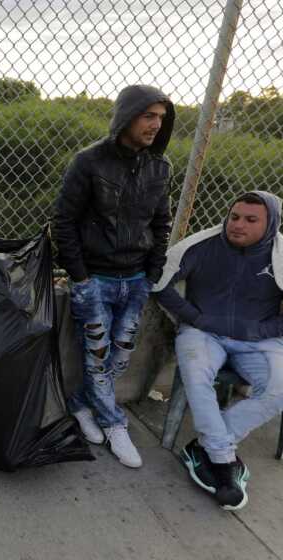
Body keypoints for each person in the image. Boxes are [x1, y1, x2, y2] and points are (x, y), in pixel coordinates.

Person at [53, 84, 175, 468]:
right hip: (96, 279)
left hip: (136, 279)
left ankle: (80, 405)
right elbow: (63, 221)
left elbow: (162, 223)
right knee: (97, 354)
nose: (156, 124)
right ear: (127, 115)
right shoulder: (89, 162)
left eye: (161, 117)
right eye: (148, 115)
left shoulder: (161, 167)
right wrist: (81, 277)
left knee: (120, 356)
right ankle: (113, 422)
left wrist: (153, 270)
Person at [152, 191, 283, 510]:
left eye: (251, 220)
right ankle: (223, 463)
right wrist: (195, 317)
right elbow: (158, 283)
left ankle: (204, 448)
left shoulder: (281, 254)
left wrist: (261, 331)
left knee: (278, 389)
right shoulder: (200, 245)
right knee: (197, 381)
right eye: (234, 217)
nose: (237, 225)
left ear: (270, 224)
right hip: (203, 332)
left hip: (259, 337)